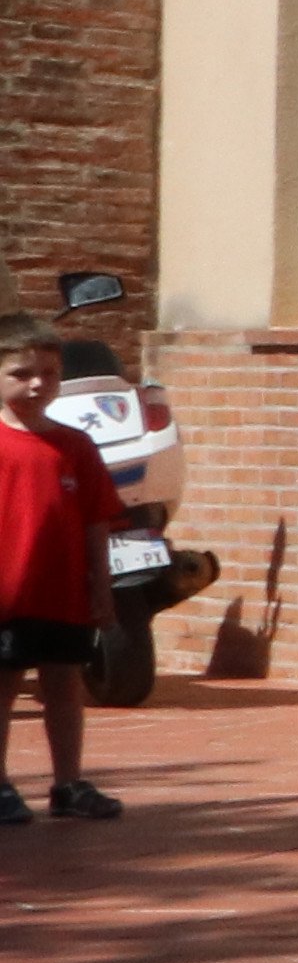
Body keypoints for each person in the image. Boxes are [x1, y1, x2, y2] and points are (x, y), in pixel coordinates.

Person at [0, 324, 123, 822]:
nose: (36, 384)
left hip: (63, 594)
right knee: (3, 686)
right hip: (8, 595)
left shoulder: (77, 447)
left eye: (48, 374)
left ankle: (68, 782)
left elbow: (96, 522)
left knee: (64, 686)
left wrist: (102, 586)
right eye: (21, 373)